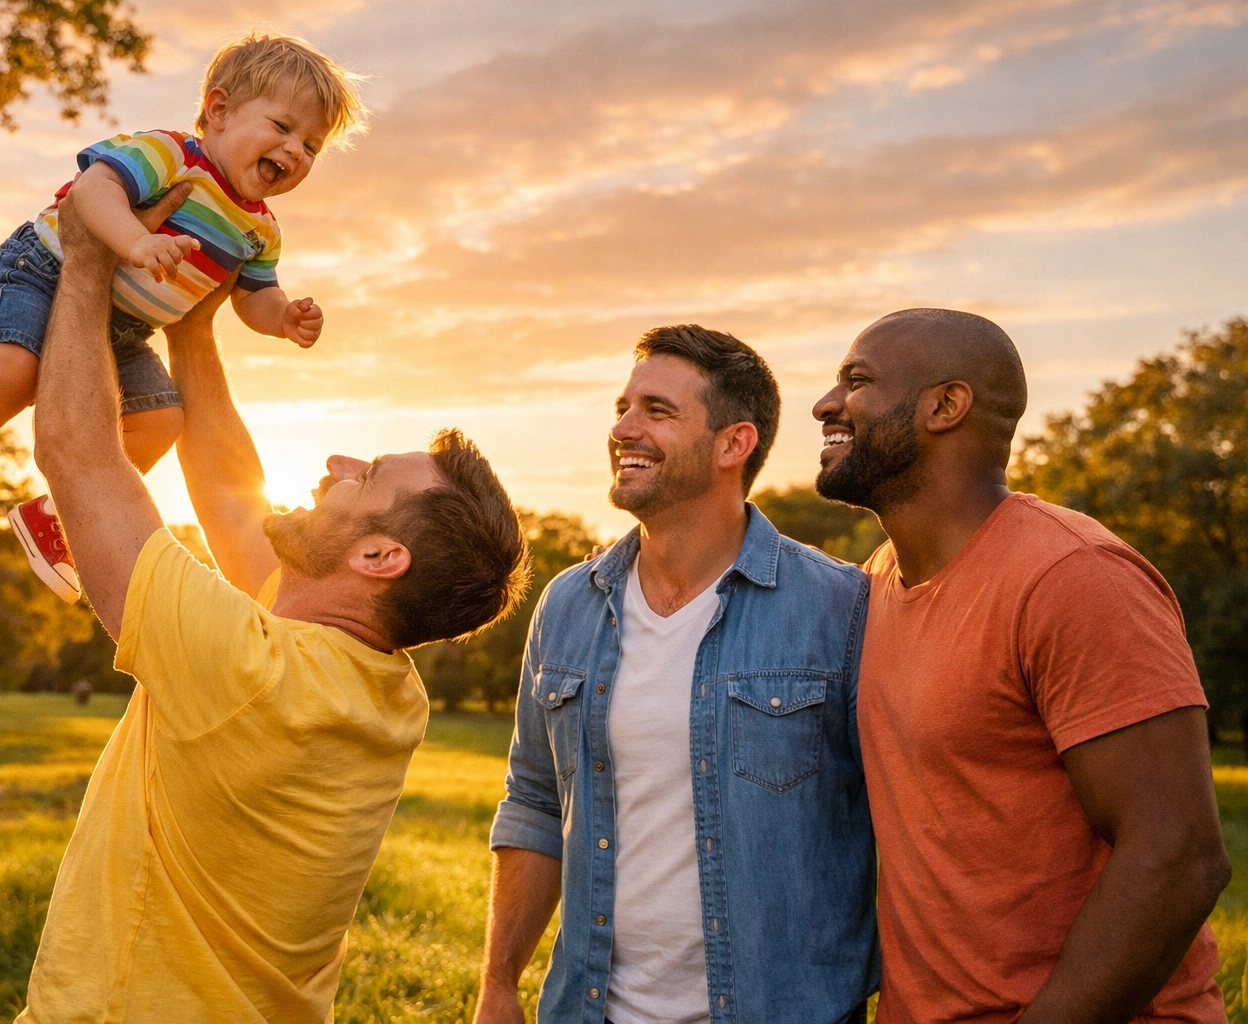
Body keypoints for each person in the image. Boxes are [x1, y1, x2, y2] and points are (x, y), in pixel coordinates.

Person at [14, 189, 529, 1022]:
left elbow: (77, 454)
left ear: (377, 558)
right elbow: (228, 496)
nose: (334, 462)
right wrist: (192, 322)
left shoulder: (252, 671)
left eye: (362, 479)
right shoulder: (378, 685)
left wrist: (83, 258)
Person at [812, 308, 1231, 1024]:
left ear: (946, 406)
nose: (826, 404)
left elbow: (1178, 854)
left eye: (858, 381)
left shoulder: (1073, 575)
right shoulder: (876, 583)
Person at [477, 325, 879, 1024]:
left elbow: (899, 823)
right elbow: (536, 802)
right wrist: (498, 985)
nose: (624, 428)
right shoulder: (568, 604)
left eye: (657, 412)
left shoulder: (839, 608)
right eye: (622, 408)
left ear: (733, 443)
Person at [0, 31, 361, 602]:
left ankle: (58, 513)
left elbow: (252, 296)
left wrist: (284, 318)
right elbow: (94, 188)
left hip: (123, 327)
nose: (296, 150)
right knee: (14, 370)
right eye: (282, 127)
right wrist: (133, 241)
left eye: (311, 144)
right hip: (44, 270)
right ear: (220, 110)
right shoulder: (173, 155)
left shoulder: (260, 229)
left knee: (161, 418)